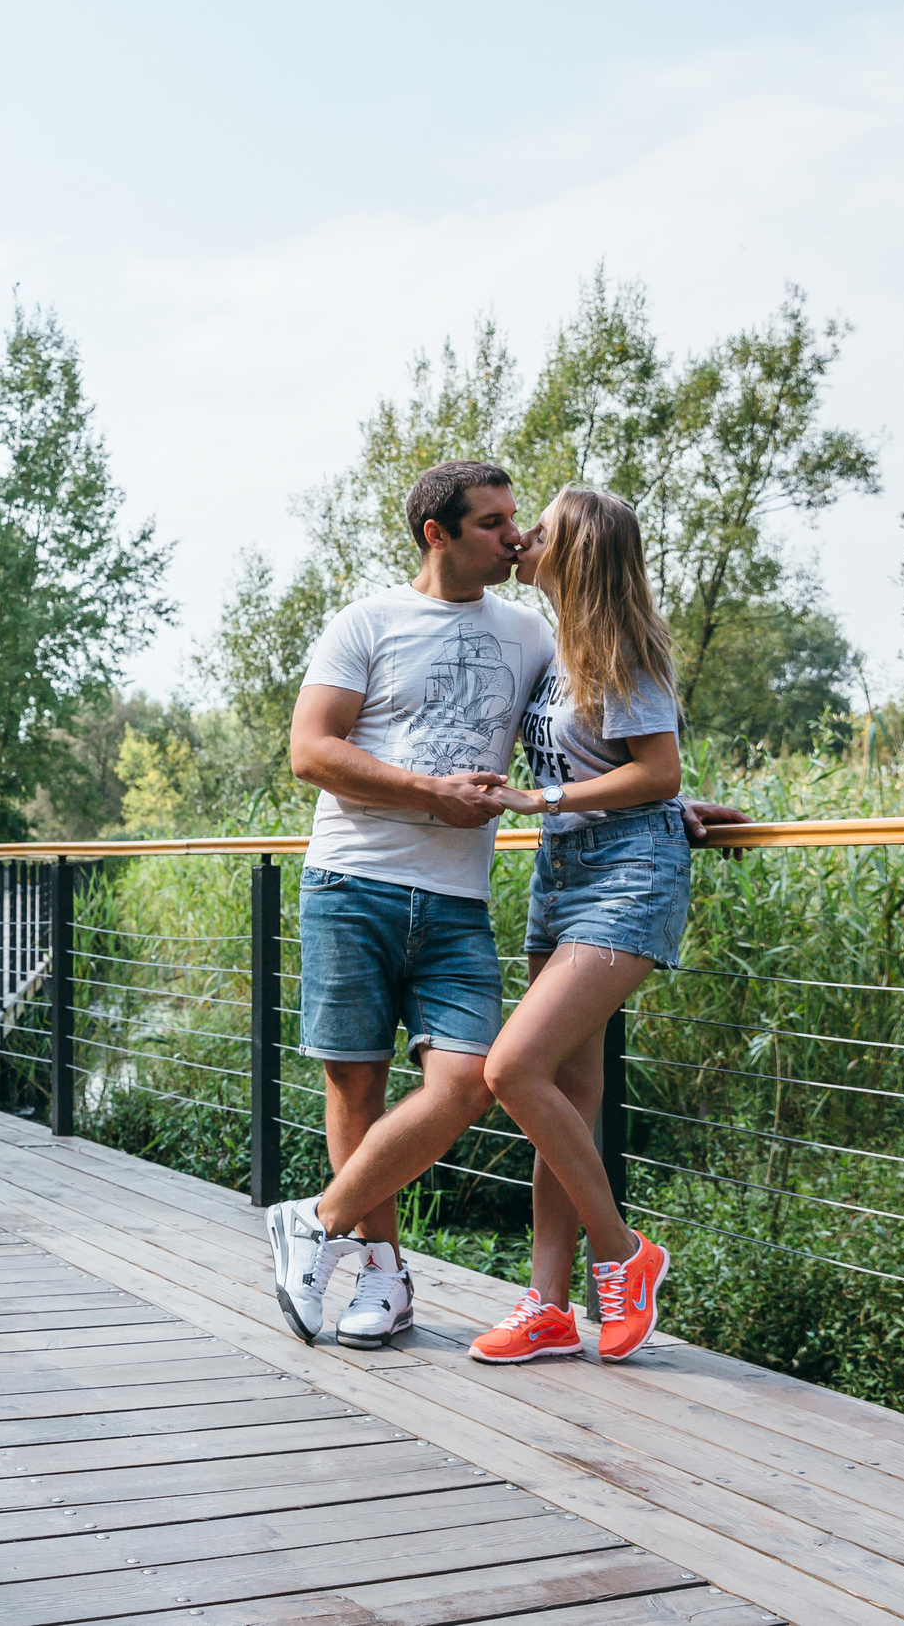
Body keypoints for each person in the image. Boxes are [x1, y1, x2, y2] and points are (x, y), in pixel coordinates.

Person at [267, 476, 742, 1359]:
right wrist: (640, 802)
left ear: (578, 550)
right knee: (550, 1089)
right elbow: (310, 749)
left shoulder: (576, 639)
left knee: (503, 1070)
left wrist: (650, 808)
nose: (518, 537)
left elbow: (650, 764)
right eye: (500, 523)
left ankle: (619, 1255)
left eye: (532, 525)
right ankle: (536, 1303)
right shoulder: (510, 638)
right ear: (439, 533)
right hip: (512, 877)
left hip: (569, 885)